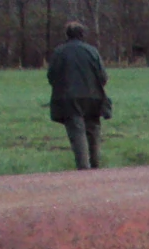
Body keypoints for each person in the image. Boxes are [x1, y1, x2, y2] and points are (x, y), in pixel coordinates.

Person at [47, 21, 110, 170]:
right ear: (83, 34)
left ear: (66, 35)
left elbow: (51, 76)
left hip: (69, 98)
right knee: (93, 131)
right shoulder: (92, 51)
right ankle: (95, 167)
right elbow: (103, 77)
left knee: (77, 133)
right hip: (93, 97)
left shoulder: (59, 52)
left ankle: (83, 169)